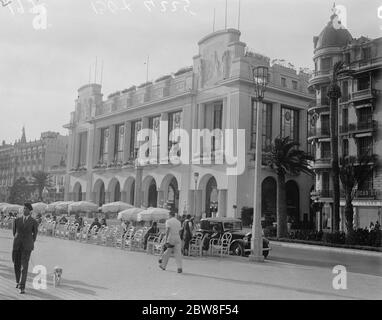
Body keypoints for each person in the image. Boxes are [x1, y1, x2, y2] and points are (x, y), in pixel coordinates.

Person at [12, 203, 38, 294]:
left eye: (26, 209)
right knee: (16, 264)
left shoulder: (34, 222)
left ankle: (22, 286)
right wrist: (18, 240)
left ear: (30, 211)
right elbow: (14, 232)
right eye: (23, 208)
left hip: (27, 247)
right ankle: (17, 281)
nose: (24, 210)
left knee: (24, 267)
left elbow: (34, 235)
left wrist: (29, 243)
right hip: (17, 245)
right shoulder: (17, 220)